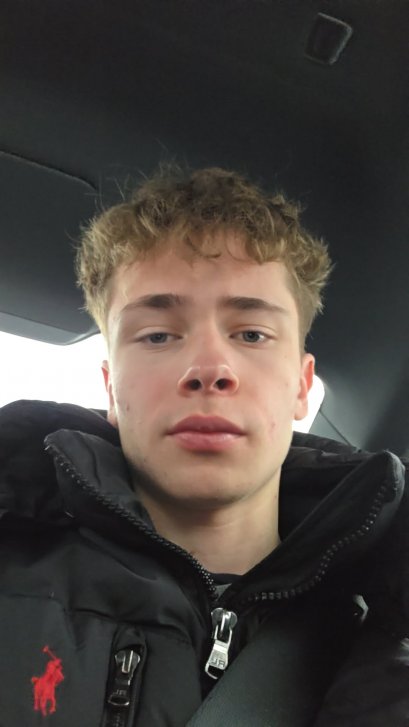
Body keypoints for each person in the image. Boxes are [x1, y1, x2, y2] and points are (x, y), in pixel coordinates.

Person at [0, 166, 407, 726]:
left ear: (301, 386)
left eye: (252, 334)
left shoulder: (389, 635)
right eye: (158, 335)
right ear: (111, 389)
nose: (209, 368)